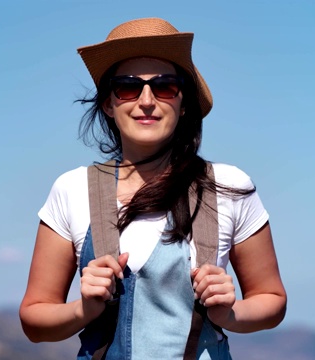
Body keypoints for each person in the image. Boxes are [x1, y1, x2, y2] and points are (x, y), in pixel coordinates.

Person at [19, 17, 287, 360]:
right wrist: (82, 309)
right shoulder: (71, 189)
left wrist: (228, 313)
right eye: (128, 87)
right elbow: (34, 319)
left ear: (183, 102)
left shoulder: (229, 185)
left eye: (164, 86)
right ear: (108, 103)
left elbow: (272, 301)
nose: (146, 100)